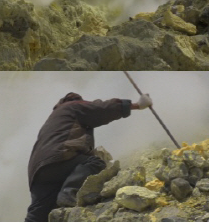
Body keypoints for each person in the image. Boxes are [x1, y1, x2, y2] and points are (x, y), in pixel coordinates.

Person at [25, 92, 152, 222]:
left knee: (38, 212)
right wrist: (136, 105)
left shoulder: (54, 118)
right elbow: (101, 109)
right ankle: (68, 193)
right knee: (95, 163)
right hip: (59, 157)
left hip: (38, 172)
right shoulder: (73, 106)